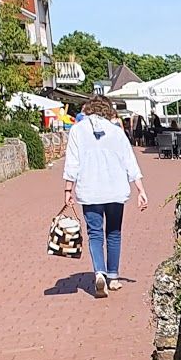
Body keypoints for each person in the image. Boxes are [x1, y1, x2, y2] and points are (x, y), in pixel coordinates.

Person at [64, 95, 148, 298]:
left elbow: (72, 162)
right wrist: (141, 190)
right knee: (114, 232)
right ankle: (114, 277)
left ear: (89, 109)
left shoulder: (77, 131)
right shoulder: (117, 132)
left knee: (95, 233)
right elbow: (129, 161)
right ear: (109, 111)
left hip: (90, 190)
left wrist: (68, 189)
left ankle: (99, 272)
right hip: (115, 189)